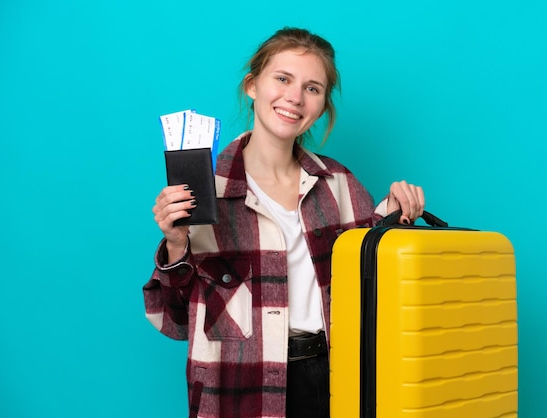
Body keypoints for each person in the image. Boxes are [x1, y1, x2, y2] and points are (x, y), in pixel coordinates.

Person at [144, 27, 425, 418]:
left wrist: (398, 216)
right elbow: (172, 323)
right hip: (237, 389)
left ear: (323, 106)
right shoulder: (202, 194)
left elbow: (375, 292)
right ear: (252, 85)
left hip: (334, 381)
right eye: (282, 78)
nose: (294, 97)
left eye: (312, 88)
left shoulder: (340, 185)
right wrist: (176, 245)